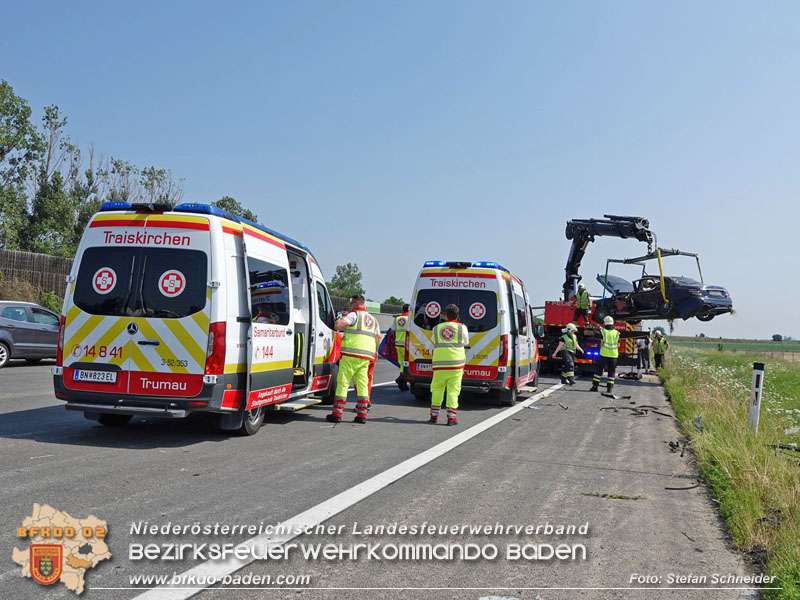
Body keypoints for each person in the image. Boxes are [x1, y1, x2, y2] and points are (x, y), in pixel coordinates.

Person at [327, 295, 380, 424]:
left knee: (343, 383)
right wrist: (375, 352)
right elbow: (378, 337)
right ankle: (362, 415)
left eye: (351, 303)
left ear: (356, 303)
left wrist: (341, 317)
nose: (351, 306)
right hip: (366, 357)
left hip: (351, 355)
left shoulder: (354, 315)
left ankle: (337, 414)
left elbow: (338, 326)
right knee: (362, 385)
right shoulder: (373, 320)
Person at [429, 304, 469, 426]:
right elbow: (466, 341)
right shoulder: (462, 328)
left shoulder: (436, 328)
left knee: (437, 389)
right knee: (453, 390)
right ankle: (451, 418)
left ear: (445, 315)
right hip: (456, 365)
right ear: (457, 315)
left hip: (439, 364)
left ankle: (434, 416)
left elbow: (433, 342)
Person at [591, 316, 620, 394]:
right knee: (611, 372)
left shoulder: (603, 332)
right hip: (613, 355)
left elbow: (601, 343)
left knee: (599, 371)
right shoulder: (616, 333)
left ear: (605, 323)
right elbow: (618, 345)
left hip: (604, 354)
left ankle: (595, 387)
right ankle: (609, 389)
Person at [393, 304, 410, 391]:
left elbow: (392, 331)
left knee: (401, 363)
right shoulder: (409, 319)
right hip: (406, 345)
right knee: (405, 363)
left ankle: (402, 380)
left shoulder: (397, 319)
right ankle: (401, 379)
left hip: (398, 344)